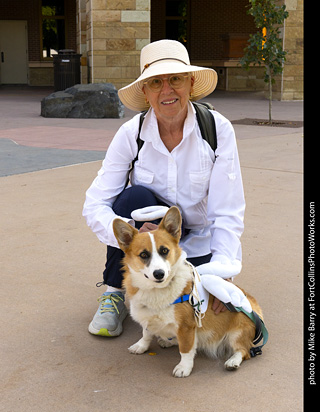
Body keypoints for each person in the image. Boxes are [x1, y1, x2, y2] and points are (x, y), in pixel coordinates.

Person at [83, 39, 245, 337]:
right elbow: (95, 204)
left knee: (199, 320)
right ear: (144, 91)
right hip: (147, 244)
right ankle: (114, 291)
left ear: (191, 83)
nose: (167, 90)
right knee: (133, 198)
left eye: (176, 79)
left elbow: (228, 210)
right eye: (156, 82)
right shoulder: (131, 134)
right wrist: (133, 234)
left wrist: (225, 275)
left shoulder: (217, 130)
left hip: (198, 242)